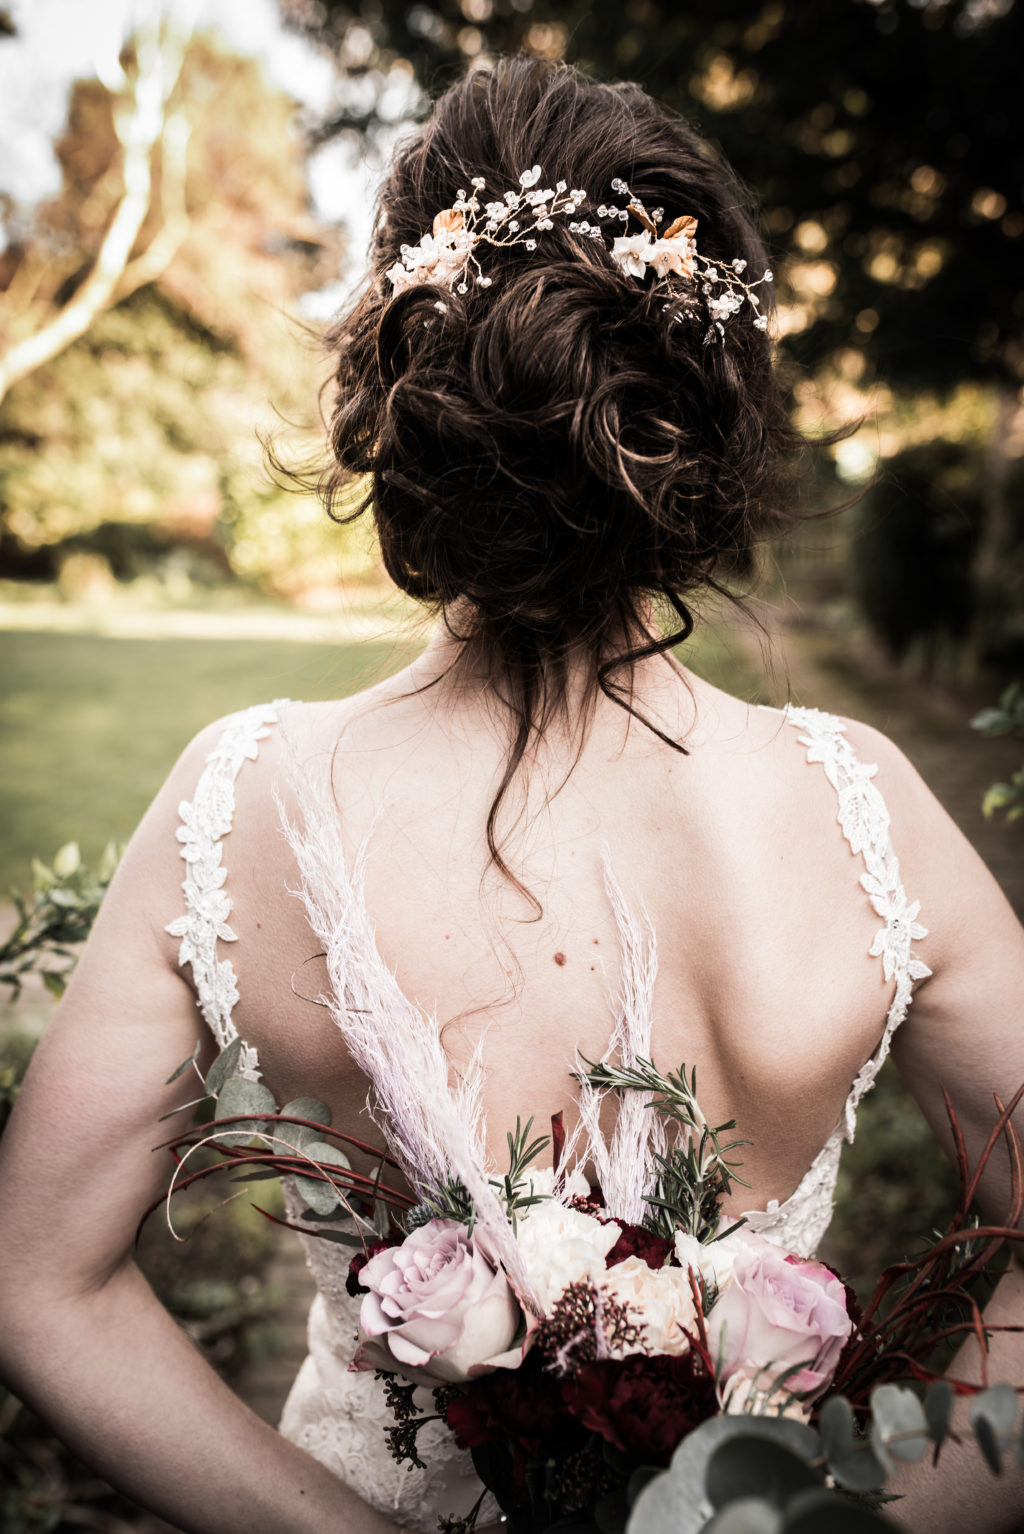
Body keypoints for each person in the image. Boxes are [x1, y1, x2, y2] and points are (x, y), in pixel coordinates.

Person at [1, 54, 1022, 1534]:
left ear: (398, 400)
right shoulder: (861, 809)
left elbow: (36, 1279)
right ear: (707, 410)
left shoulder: (249, 797)